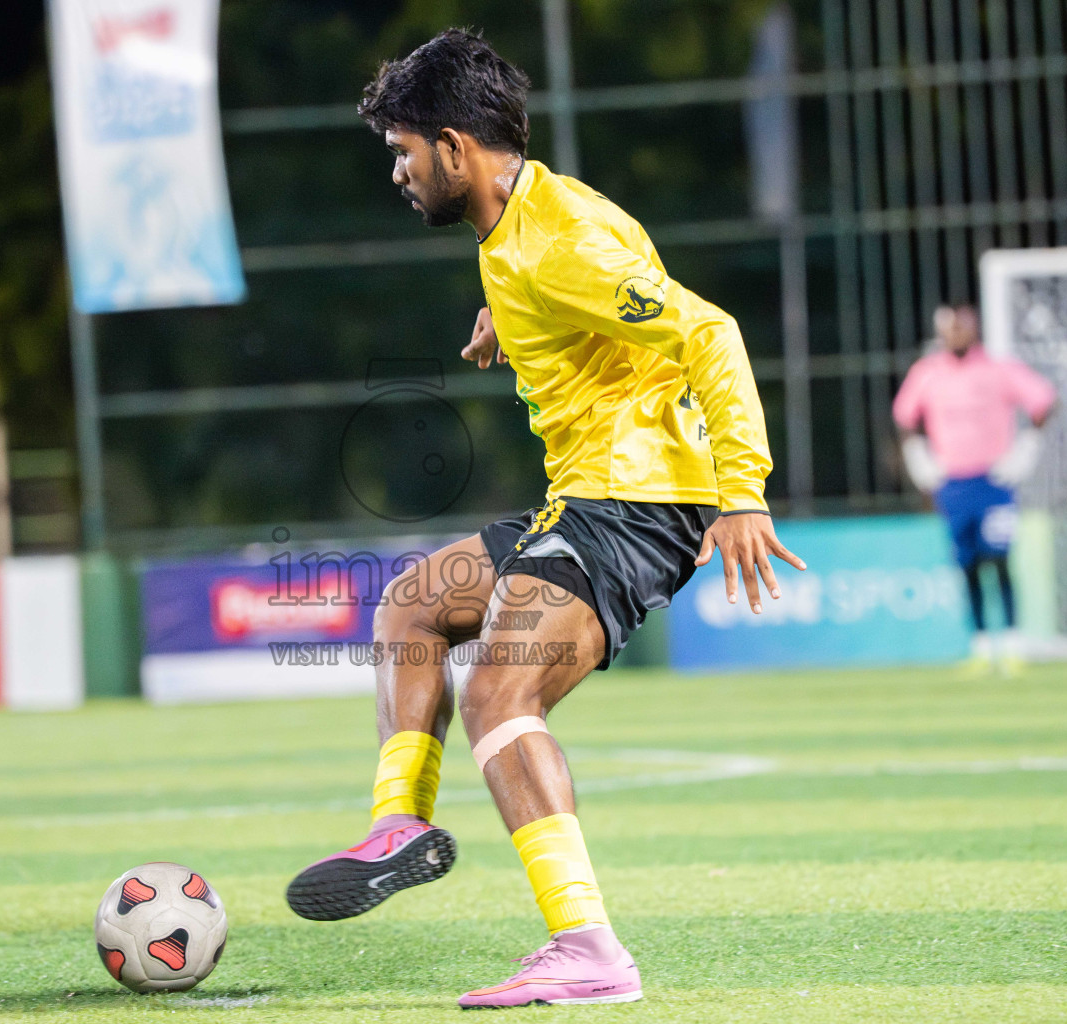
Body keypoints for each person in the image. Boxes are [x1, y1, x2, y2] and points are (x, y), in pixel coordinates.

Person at [283, 29, 803, 1008]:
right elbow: (595, 303)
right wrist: (513, 329)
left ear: (454, 147)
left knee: (496, 695)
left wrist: (742, 490)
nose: (397, 173)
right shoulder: (523, 226)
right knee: (413, 603)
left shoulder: (560, 247)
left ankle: (589, 949)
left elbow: (708, 331)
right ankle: (399, 823)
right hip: (591, 495)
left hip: (634, 500)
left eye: (402, 153)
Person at [893, 304, 1056, 675]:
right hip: (953, 483)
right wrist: (919, 455)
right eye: (950, 329)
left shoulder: (999, 369)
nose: (956, 335)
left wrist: (1028, 445)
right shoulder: (927, 373)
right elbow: (905, 416)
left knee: (998, 559)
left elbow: (1044, 401)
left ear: (974, 329)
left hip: (995, 482)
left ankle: (1013, 644)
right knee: (966, 564)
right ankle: (981, 646)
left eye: (962, 328)